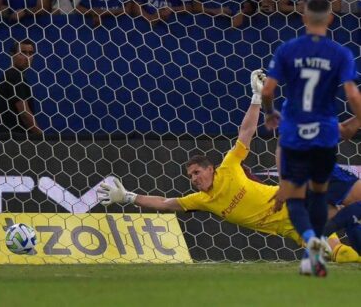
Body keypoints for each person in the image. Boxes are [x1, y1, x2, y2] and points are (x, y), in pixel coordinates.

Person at [98, 69, 361, 268]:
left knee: (346, 211)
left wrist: (256, 98)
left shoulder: (229, 167)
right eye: (190, 176)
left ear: (209, 168)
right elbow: (166, 203)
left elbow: (246, 132)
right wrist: (129, 197)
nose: (194, 179)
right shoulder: (202, 200)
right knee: (342, 256)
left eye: (196, 172)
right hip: (292, 230)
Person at [261, 0, 361, 276]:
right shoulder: (340, 53)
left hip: (294, 134)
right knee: (319, 194)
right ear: (330, 19)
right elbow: (353, 94)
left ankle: (313, 249)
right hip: (325, 133)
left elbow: (268, 90)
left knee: (296, 200)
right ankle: (317, 251)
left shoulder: (287, 50)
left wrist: (269, 114)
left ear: (304, 18)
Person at [0, 39, 41, 135]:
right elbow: (24, 113)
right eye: (23, 53)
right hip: (16, 139)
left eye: (30, 53)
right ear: (12, 54)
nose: (27, 57)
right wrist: (41, 138)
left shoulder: (13, 76)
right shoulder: (14, 76)